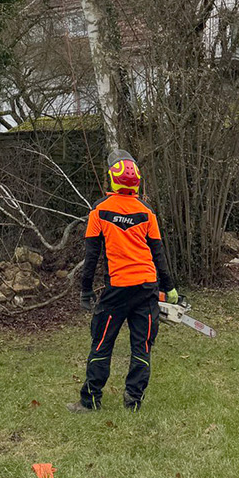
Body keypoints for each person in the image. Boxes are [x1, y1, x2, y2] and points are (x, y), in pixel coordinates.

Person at [68, 151, 178, 413]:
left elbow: (91, 256)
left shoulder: (99, 210)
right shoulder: (147, 212)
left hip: (117, 290)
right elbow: (158, 253)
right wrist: (169, 286)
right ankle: (133, 400)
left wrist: (86, 290)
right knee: (142, 346)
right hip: (147, 287)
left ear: (112, 179)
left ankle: (90, 401)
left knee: (102, 342)